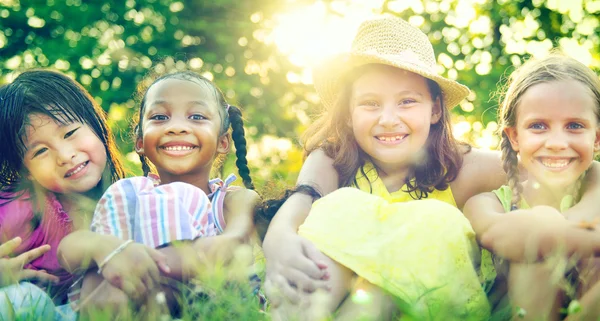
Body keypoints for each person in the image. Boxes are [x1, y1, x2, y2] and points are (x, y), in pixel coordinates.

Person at [261, 16, 600, 320]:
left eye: (407, 101)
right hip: (340, 293)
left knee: (440, 222)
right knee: (340, 207)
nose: (389, 119)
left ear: (435, 110)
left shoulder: (466, 168)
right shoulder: (334, 160)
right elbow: (302, 200)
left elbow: (548, 166)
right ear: (349, 114)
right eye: (370, 103)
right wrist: (278, 238)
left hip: (434, 301)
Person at [70, 70, 260, 316]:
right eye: (160, 117)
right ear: (140, 141)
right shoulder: (129, 197)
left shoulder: (234, 200)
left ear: (223, 141)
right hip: (127, 300)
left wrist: (139, 264)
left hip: (210, 307)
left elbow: (232, 245)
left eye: (197, 116)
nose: (177, 127)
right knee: (98, 274)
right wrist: (107, 250)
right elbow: (71, 250)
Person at [0, 70, 167, 321]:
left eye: (69, 133)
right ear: (28, 172)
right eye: (41, 151)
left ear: (96, 125)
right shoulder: (22, 207)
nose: (65, 156)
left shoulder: (136, 195)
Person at [463, 54, 600, 321]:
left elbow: (585, 220)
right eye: (538, 126)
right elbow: (504, 235)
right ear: (514, 136)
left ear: (596, 138)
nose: (557, 142)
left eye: (574, 126)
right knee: (536, 237)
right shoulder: (485, 203)